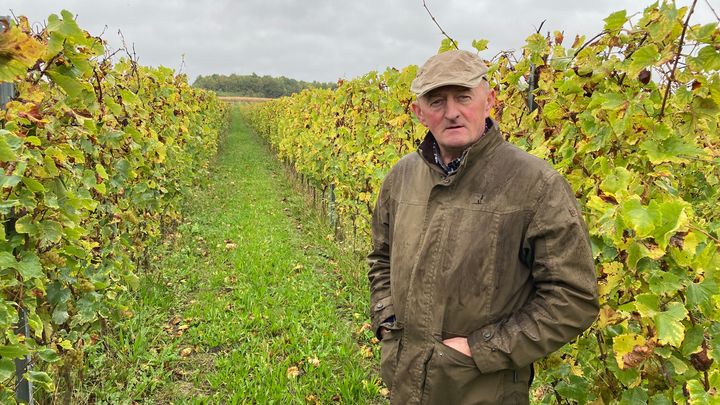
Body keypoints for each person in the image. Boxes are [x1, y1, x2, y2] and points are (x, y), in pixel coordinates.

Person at [367, 49, 599, 404]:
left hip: (483, 392)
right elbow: (381, 258)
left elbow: (573, 298)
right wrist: (387, 320)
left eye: (463, 97)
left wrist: (480, 349)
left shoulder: (536, 185)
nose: (452, 112)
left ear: (489, 100)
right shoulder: (401, 178)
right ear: (418, 112)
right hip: (405, 381)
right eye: (436, 101)